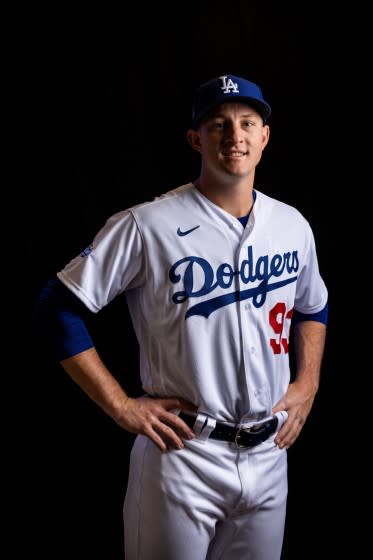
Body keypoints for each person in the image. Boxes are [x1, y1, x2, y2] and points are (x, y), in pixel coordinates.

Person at [34, 73, 328, 560]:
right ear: (196, 139)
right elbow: (57, 307)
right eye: (218, 125)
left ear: (264, 136)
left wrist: (309, 381)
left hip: (270, 454)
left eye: (247, 123)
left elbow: (313, 304)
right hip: (184, 453)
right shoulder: (147, 224)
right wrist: (122, 406)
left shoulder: (292, 225)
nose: (234, 137)